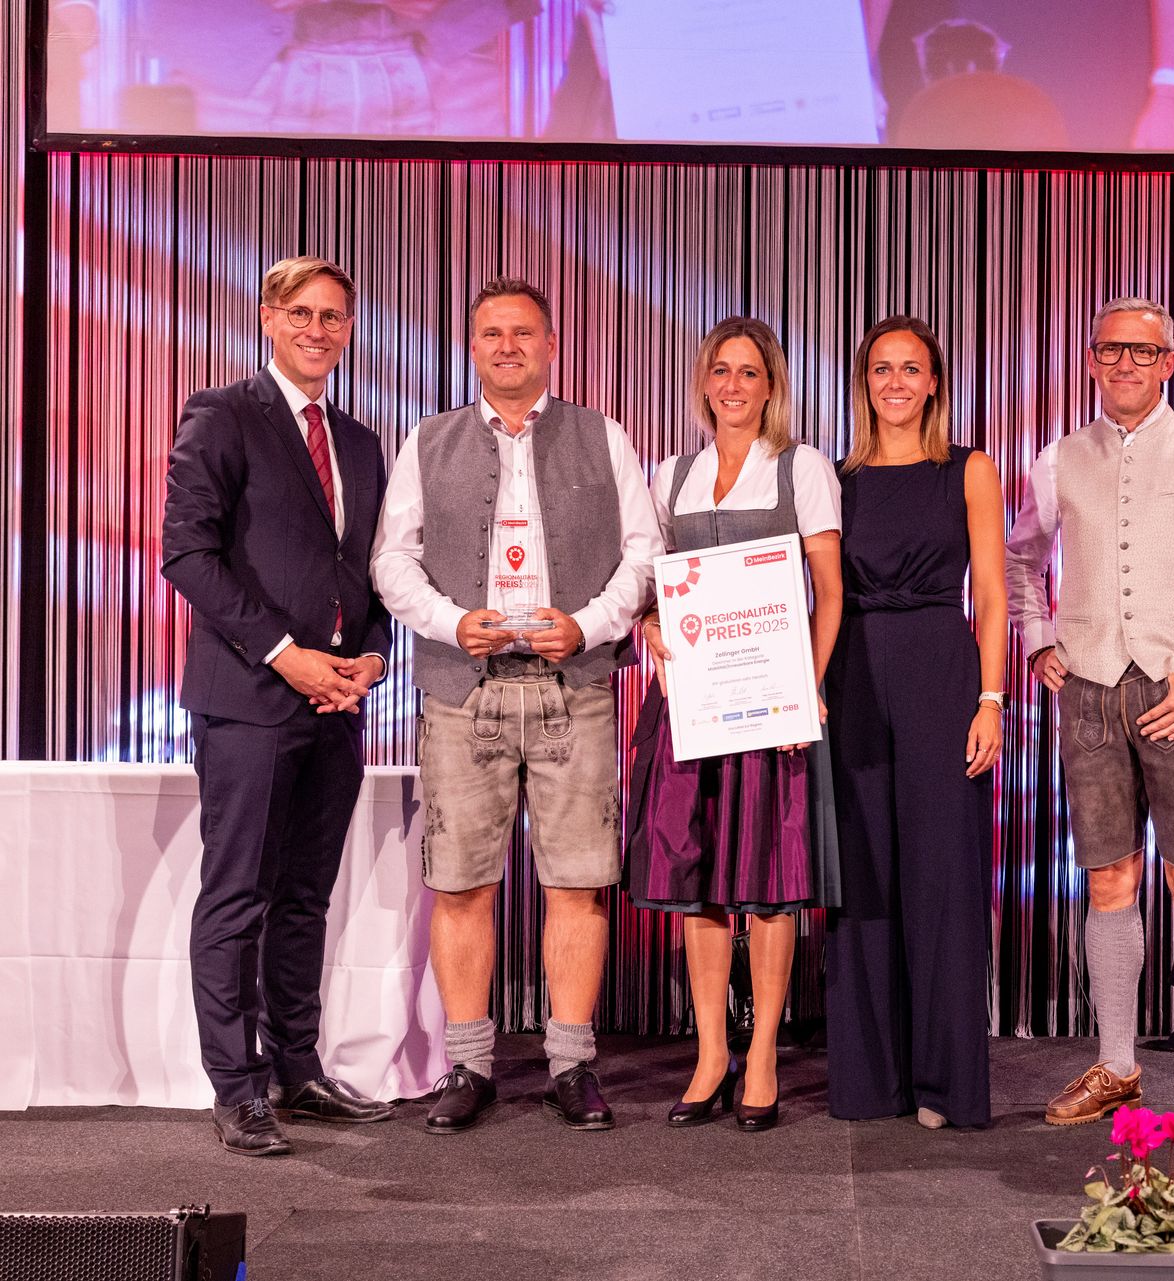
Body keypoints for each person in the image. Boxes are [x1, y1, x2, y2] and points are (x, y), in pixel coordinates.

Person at [370, 277, 660, 1134]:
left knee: (578, 881)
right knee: (461, 884)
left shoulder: (603, 435)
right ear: (472, 348)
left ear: (551, 344)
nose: (507, 346)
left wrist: (593, 625)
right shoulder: (429, 441)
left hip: (576, 689)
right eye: (492, 333)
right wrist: (455, 623)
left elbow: (644, 555)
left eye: (523, 332)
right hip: (466, 693)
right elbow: (393, 562)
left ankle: (572, 1065)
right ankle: (468, 1065)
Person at [1007, 295, 1174, 1144]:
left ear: (1170, 362)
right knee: (1107, 879)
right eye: (1110, 351)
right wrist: (1037, 641)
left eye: (1144, 352)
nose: (1125, 365)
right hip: (1087, 689)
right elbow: (1019, 562)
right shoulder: (1056, 459)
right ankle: (1118, 1063)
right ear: (1091, 360)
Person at [160, 254, 394, 1156]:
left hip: (337, 706)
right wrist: (286, 654)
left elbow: (362, 573)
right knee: (238, 897)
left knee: (305, 897)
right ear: (266, 318)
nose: (318, 329)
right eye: (301, 312)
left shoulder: (363, 443)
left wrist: (370, 654)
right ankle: (238, 1087)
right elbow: (187, 555)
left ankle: (297, 1070)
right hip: (249, 699)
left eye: (334, 316)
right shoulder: (222, 415)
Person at [627, 316, 845, 1133]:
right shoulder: (670, 475)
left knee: (769, 889)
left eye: (750, 372)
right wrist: (648, 623)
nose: (734, 386)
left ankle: (762, 1060)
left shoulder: (803, 468)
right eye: (722, 370)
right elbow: (649, 586)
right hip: (689, 704)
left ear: (771, 385)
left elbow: (830, 593)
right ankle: (711, 1053)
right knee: (699, 890)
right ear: (703, 382)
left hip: (772, 705)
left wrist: (806, 690)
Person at [824, 316, 1006, 1130]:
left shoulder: (970, 468)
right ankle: (872, 1080)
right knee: (862, 880)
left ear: (935, 380)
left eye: (912, 369)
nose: (896, 382)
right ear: (864, 382)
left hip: (942, 669)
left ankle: (944, 1084)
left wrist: (993, 699)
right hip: (853, 671)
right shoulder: (833, 477)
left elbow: (995, 595)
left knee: (944, 879)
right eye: (881, 369)